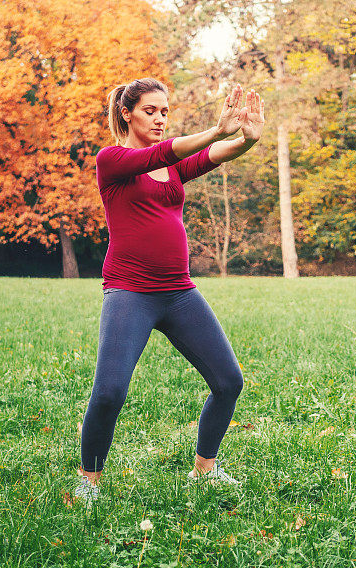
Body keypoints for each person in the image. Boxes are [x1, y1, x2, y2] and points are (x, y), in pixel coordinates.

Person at [74, 78, 264, 503]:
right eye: (150, 111)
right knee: (109, 393)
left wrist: (246, 140)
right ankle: (89, 481)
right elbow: (172, 150)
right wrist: (216, 129)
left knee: (229, 382)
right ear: (127, 113)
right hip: (130, 292)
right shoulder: (113, 160)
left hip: (178, 292)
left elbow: (210, 156)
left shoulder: (172, 168)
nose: (160, 119)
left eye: (164, 111)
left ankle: (205, 470)